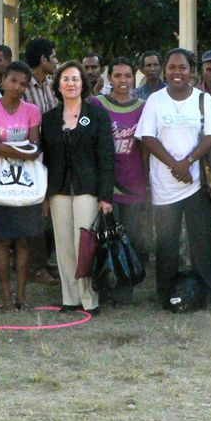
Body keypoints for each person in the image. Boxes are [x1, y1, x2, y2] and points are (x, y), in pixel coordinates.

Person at [138, 49, 211, 302]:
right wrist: (175, 166)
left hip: (197, 183)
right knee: (166, 243)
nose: (178, 72)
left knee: (201, 241)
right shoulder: (155, 100)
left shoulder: (202, 99)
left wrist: (187, 162)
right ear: (165, 70)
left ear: (192, 71)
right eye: (173, 67)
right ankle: (166, 293)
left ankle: (204, 292)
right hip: (164, 184)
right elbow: (147, 137)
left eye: (183, 67)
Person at [42, 60, 115, 314]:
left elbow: (106, 157)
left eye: (75, 79)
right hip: (59, 190)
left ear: (83, 84)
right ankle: (70, 299)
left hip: (88, 190)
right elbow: (47, 159)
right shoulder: (49, 119)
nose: (70, 83)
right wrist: (45, 196)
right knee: (63, 246)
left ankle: (89, 300)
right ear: (57, 85)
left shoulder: (97, 115)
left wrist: (106, 196)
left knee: (85, 246)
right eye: (65, 79)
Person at [0, 61, 43, 309]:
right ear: (3, 80)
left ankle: (21, 296)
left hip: (25, 184)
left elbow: (36, 148)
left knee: (23, 241)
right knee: (2, 241)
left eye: (23, 83)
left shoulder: (32, 110)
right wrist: (23, 151)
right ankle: (6, 297)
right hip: (0, 183)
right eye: (14, 81)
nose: (18, 87)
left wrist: (6, 151)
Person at [89, 57, 149, 305]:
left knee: (130, 240)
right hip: (106, 184)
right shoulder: (97, 104)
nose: (123, 81)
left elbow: (146, 145)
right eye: (118, 76)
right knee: (104, 239)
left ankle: (125, 291)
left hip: (134, 183)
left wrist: (147, 183)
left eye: (127, 76)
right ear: (109, 77)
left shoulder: (144, 106)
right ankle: (104, 288)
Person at [22, 38, 61, 286]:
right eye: (54, 56)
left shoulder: (48, 86)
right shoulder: (24, 88)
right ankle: (34, 268)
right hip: (30, 158)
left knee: (47, 213)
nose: (57, 61)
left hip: (50, 157)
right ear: (43, 59)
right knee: (36, 213)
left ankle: (44, 260)